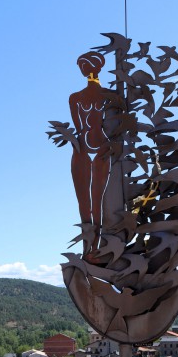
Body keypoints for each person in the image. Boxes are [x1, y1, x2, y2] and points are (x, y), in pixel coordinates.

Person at [68, 51, 112, 257]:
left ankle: (99, 245)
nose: (83, 69)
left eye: (84, 65)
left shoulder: (110, 96)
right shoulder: (75, 98)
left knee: (98, 200)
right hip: (82, 150)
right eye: (80, 66)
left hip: (102, 148)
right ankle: (88, 247)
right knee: (83, 201)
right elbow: (78, 128)